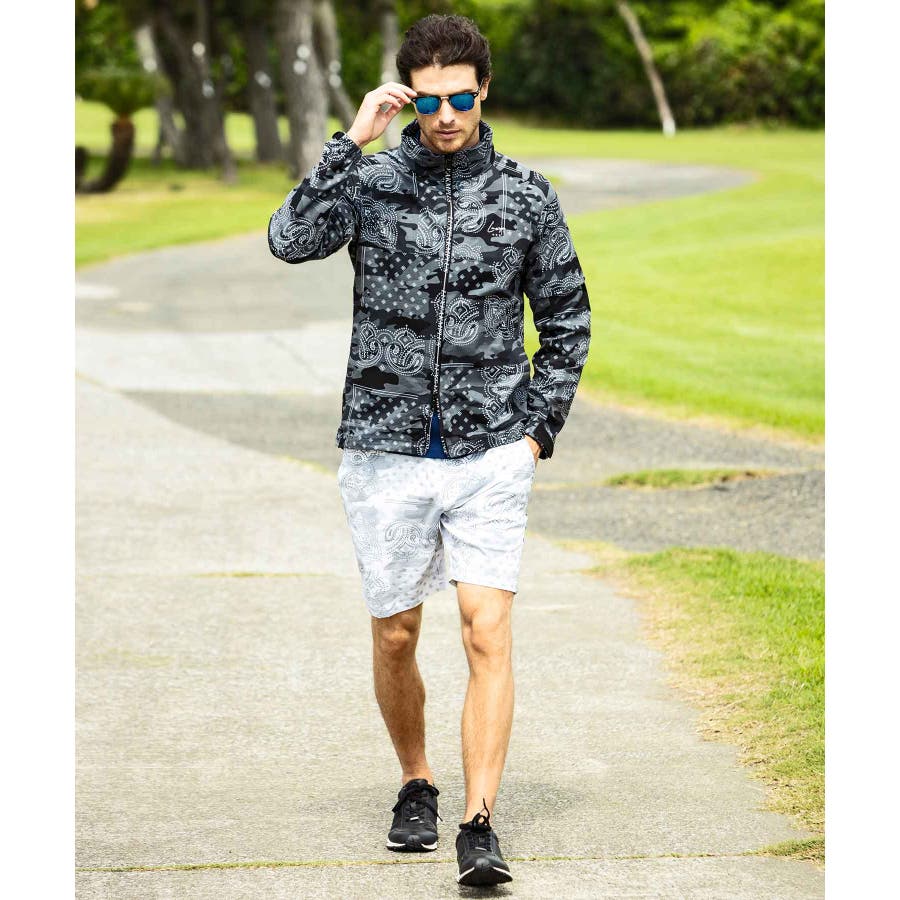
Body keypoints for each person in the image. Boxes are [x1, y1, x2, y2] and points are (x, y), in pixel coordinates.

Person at [268, 13, 591, 888]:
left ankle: (479, 822)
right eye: (428, 100)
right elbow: (289, 239)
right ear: (407, 98)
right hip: (385, 447)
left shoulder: (526, 195)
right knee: (396, 634)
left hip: (492, 450)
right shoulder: (371, 182)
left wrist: (538, 428)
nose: (446, 116)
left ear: (484, 92)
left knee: (487, 630)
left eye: (461, 98)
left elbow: (567, 318)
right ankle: (417, 780)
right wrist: (351, 142)